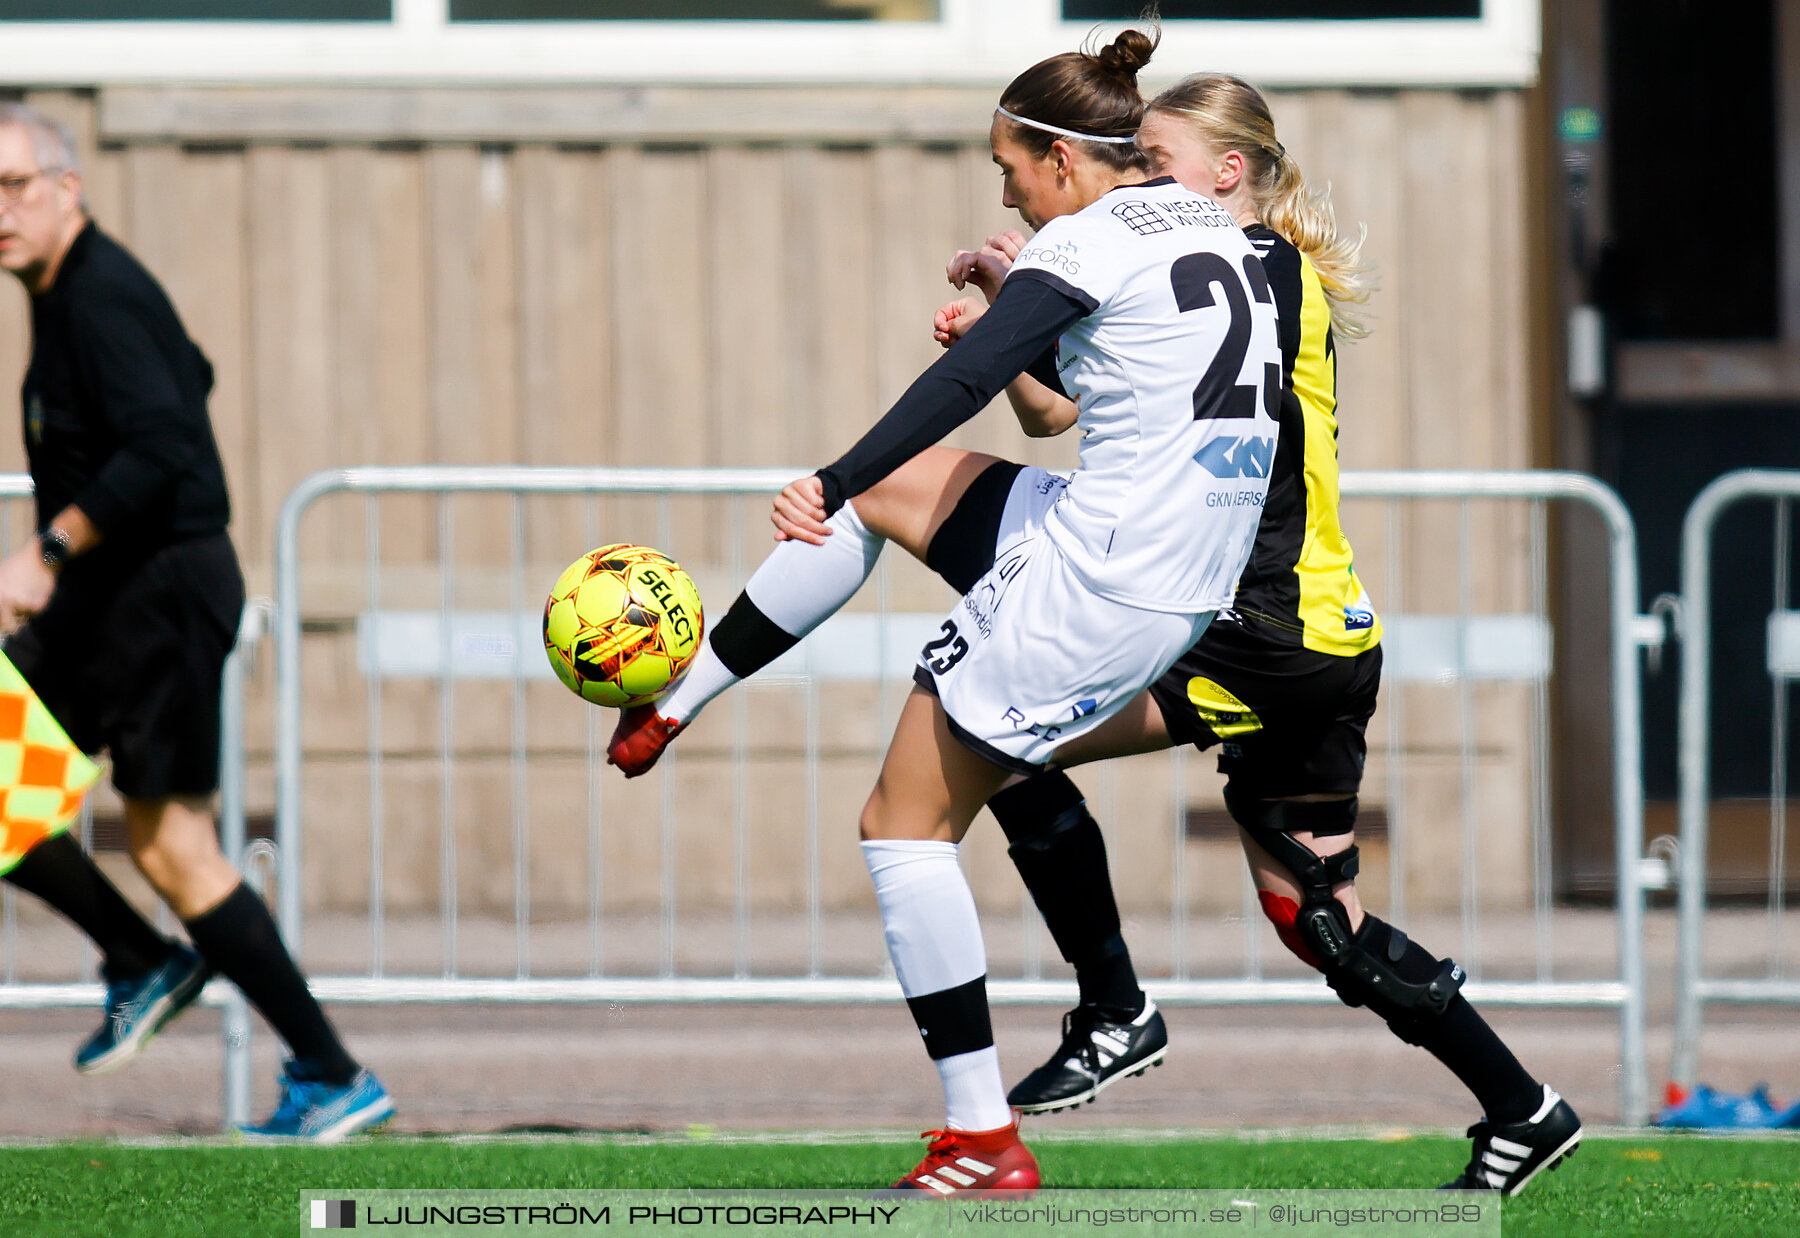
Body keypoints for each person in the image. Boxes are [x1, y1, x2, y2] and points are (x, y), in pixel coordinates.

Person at [614, 66, 1584, 1195]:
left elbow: (1064, 352)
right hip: (1297, 625)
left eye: (1158, 159)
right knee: (1316, 919)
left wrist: (1018, 309)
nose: (1143, 178)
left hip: (1249, 626)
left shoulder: (1257, 264)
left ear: (1226, 172)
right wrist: (1027, 303)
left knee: (971, 765)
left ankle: (1097, 1022)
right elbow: (1063, 408)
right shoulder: (1238, 260)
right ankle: (1525, 1104)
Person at [624, 28, 1286, 1192]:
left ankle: (980, 1134)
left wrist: (822, 476)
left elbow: (968, 385)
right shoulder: (1208, 225)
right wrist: (1000, 307)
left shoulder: (1083, 235)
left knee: (901, 825)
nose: (1007, 190)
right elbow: (1080, 399)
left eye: (1009, 167)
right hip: (1173, 566)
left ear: (1064, 158)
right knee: (898, 494)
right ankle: (679, 699)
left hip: (1103, 581)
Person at [0, 103, 392, 1142]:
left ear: (67, 188)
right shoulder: (68, 292)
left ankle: (328, 1070)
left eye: (14, 187)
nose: (0, 211)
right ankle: (140, 962)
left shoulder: (99, 294)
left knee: (175, 846)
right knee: (7, 777)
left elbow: (166, 445)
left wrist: (46, 549)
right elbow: (188, 382)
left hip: (158, 595)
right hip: (108, 601)